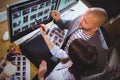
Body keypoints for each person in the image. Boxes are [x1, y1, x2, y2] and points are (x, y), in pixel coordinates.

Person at [39, 7, 109, 76]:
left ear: (95, 28)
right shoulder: (81, 19)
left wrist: (76, 70)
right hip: (61, 53)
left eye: (85, 21)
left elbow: (99, 69)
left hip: (68, 69)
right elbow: (66, 24)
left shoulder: (101, 49)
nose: (80, 21)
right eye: (83, 16)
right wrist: (58, 20)